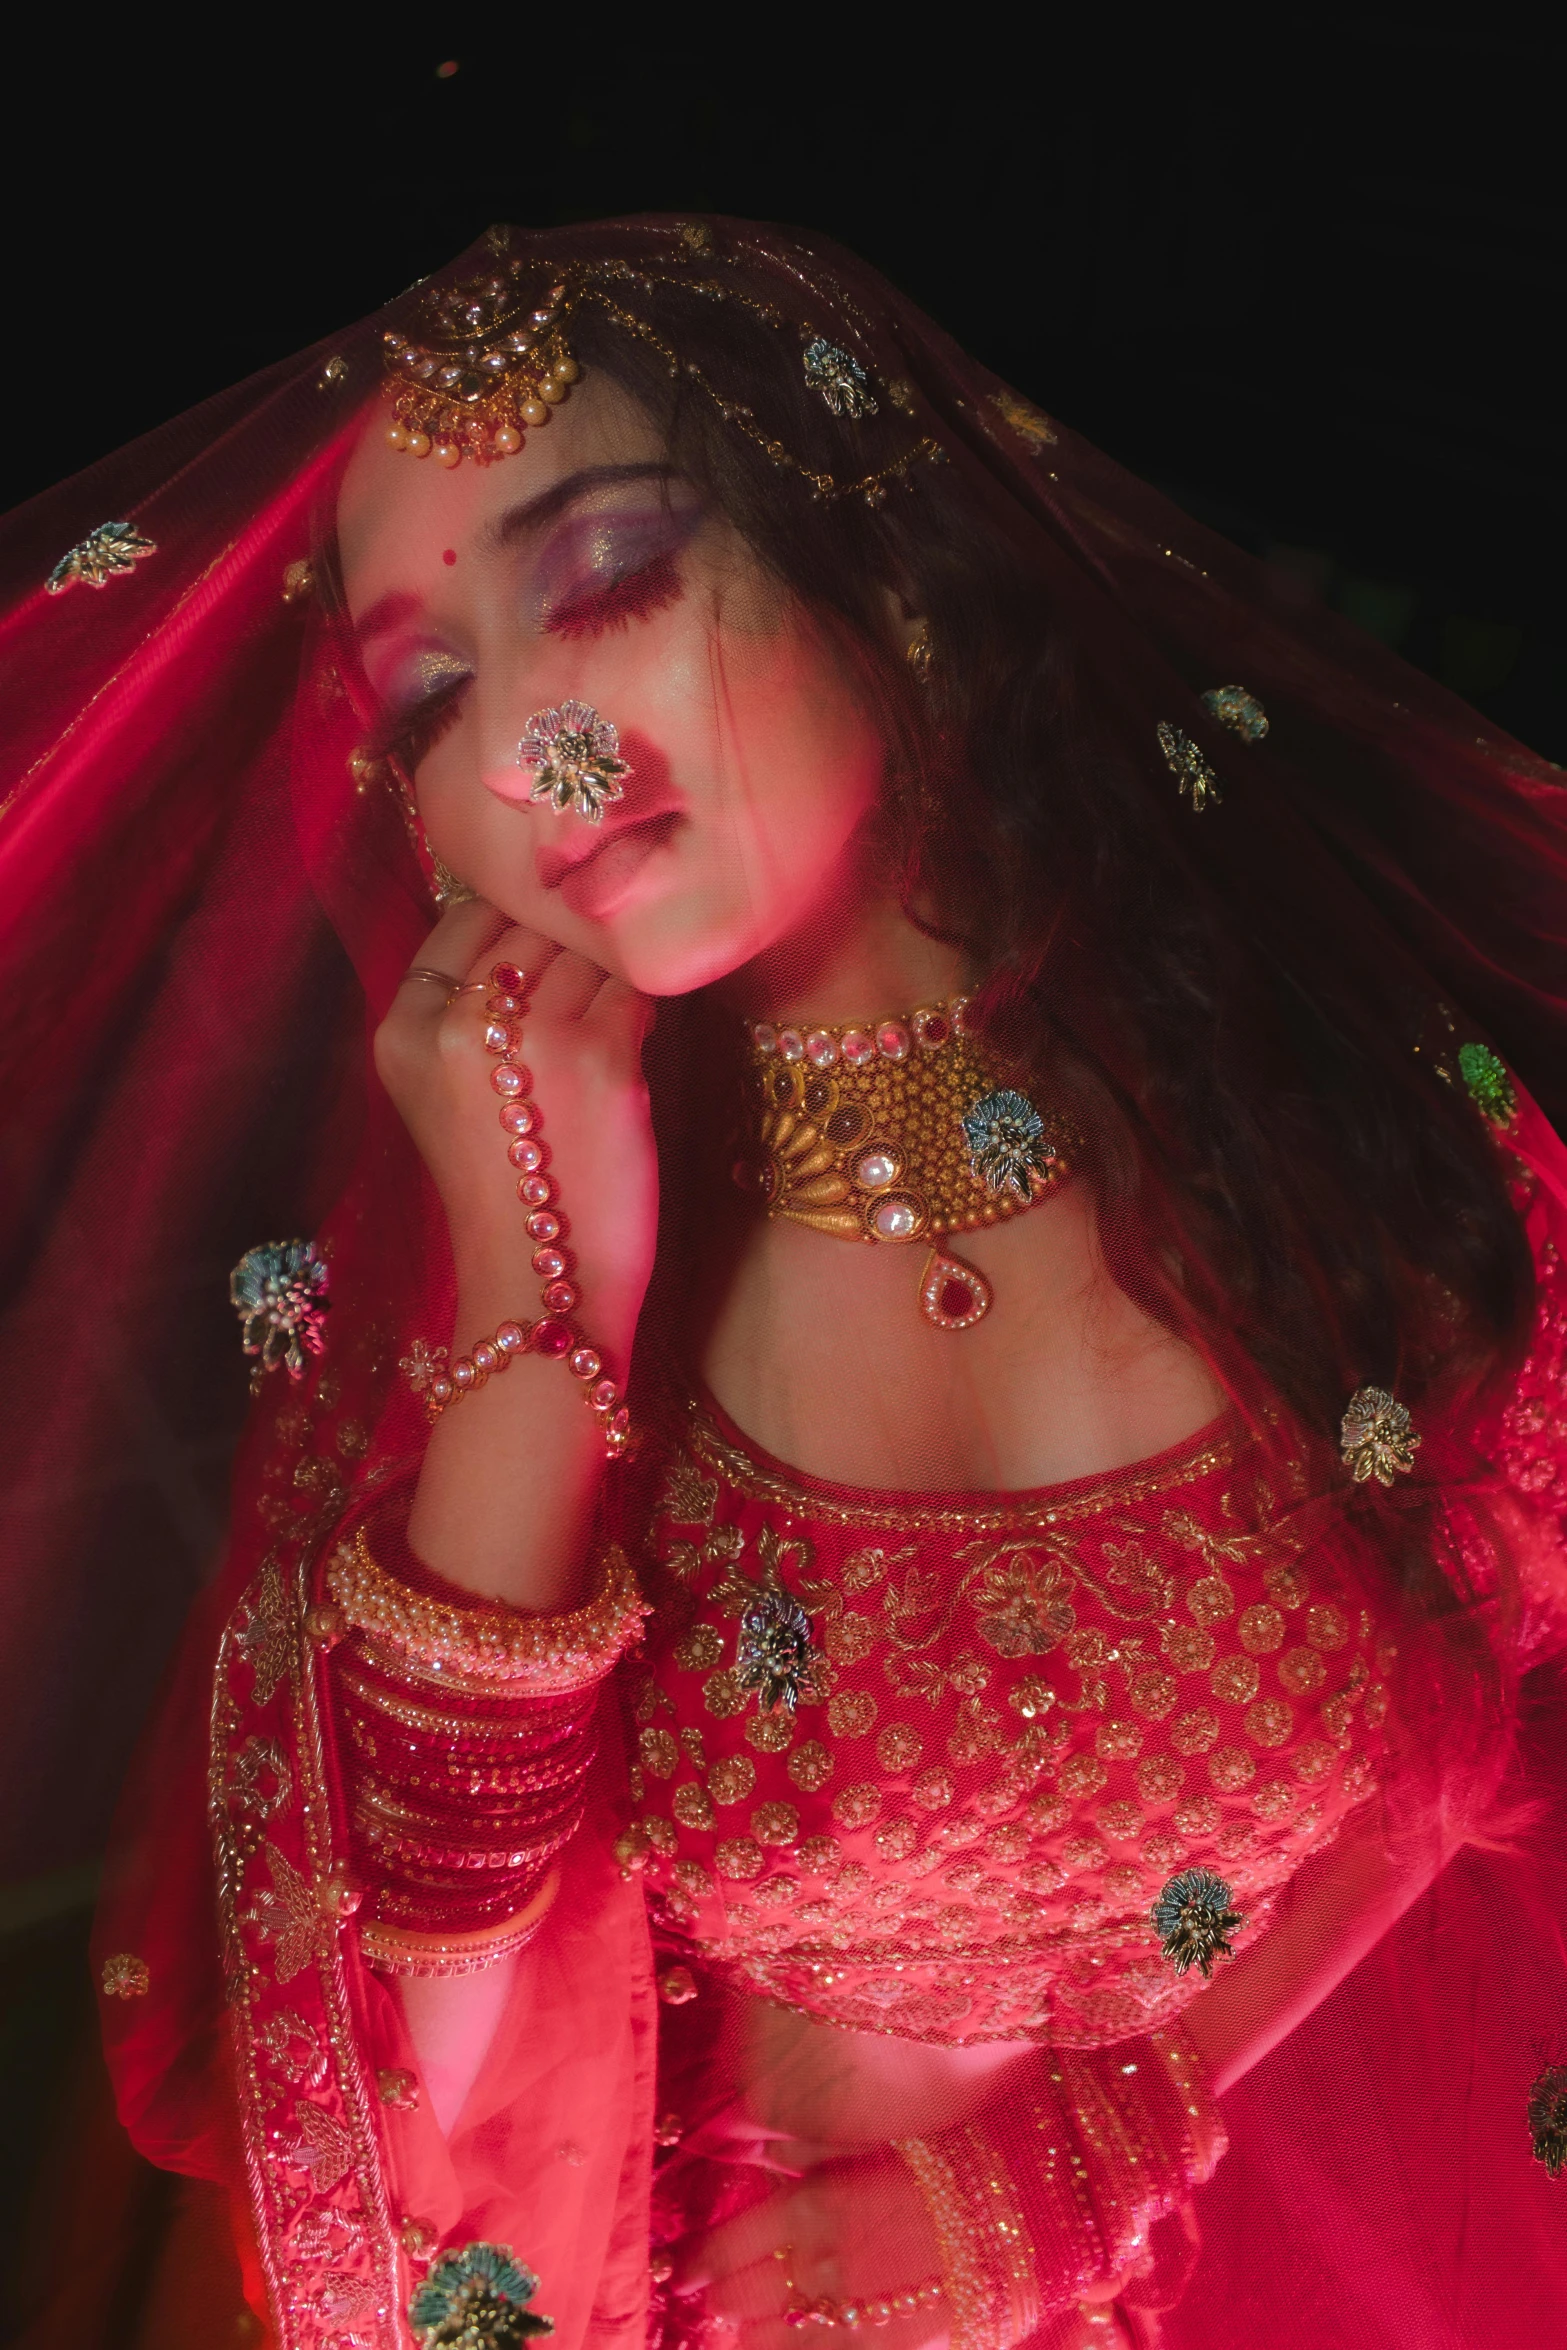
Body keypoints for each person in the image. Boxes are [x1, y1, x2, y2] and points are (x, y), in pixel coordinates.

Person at [6, 216, 1567, 2350]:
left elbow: (1462, 1740)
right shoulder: (512, 1296)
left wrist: (1087, 2157)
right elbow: (420, 2079)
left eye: (613, 576)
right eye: (436, 693)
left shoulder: (1364, 1158)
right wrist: (546, 1290)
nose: (536, 745)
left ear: (888, 565)